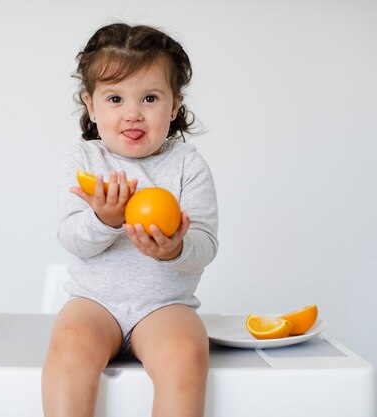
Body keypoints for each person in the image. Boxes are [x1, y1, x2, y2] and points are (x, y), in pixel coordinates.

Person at [42, 22, 218, 417]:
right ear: (90, 105)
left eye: (150, 98)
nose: (133, 114)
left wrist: (175, 248)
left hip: (164, 305)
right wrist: (104, 220)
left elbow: (205, 245)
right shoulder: (85, 161)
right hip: (94, 302)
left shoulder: (187, 164)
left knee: (186, 353)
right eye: (116, 98)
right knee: (69, 342)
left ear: (174, 106)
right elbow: (71, 237)